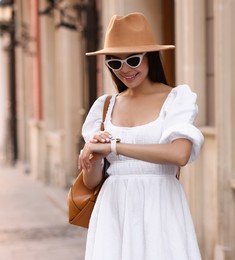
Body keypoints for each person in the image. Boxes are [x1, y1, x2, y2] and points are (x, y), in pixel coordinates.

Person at [79, 12, 204, 260]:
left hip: (161, 206)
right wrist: (92, 155)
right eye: (114, 63)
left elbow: (180, 154)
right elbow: (91, 182)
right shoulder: (105, 106)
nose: (125, 70)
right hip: (113, 210)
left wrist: (114, 147)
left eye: (133, 60)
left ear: (150, 57)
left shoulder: (176, 99)